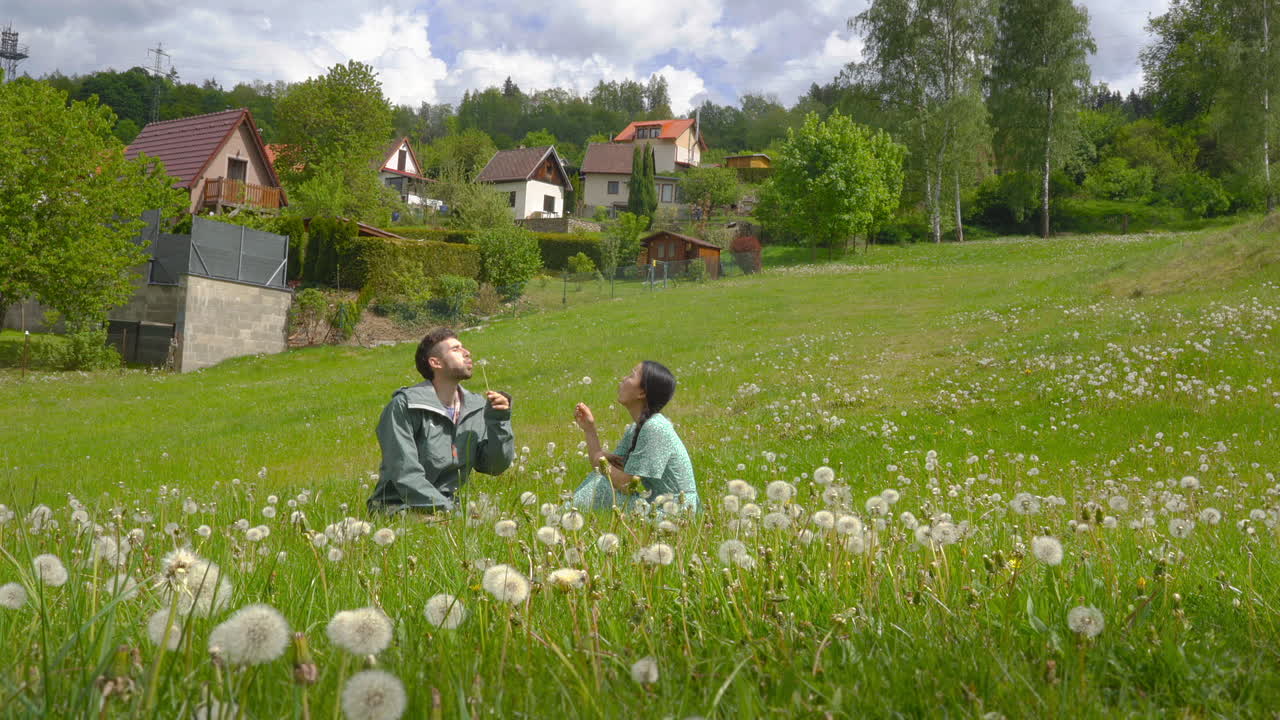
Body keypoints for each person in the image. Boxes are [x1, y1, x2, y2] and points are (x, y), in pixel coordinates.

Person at [367, 328, 514, 515]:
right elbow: (404, 472)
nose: (467, 352)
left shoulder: (475, 407)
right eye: (456, 349)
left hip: (449, 509)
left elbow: (494, 466)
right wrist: (448, 511)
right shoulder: (405, 406)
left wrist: (499, 420)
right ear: (435, 362)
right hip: (399, 507)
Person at [571, 361, 698, 513]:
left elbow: (624, 484)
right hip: (657, 507)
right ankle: (564, 514)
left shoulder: (655, 428)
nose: (624, 379)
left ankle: (563, 515)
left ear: (642, 393)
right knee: (600, 479)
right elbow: (609, 470)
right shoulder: (637, 428)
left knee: (602, 485)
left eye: (631, 375)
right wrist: (589, 429)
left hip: (676, 512)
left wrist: (600, 457)